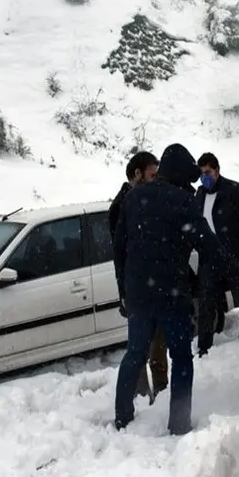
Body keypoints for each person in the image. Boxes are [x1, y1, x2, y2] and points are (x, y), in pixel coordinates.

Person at [113, 143, 239, 435]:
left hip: (140, 294)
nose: (193, 185)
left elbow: (119, 250)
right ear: (181, 174)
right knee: (180, 357)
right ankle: (179, 423)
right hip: (172, 294)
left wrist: (124, 291)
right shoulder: (182, 201)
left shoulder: (134, 198)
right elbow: (207, 243)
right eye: (190, 179)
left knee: (134, 354)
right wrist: (237, 273)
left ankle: (122, 417)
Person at [109, 151, 167, 404]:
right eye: (152, 175)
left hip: (157, 286)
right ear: (137, 174)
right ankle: (143, 397)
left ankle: (163, 394)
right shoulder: (122, 205)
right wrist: (124, 290)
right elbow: (120, 254)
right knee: (139, 348)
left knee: (159, 347)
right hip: (138, 289)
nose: (155, 180)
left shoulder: (152, 199)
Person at [194, 152, 239, 356]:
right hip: (210, 260)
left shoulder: (234, 191)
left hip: (235, 256)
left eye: (208, 172)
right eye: (201, 173)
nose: (204, 177)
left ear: (217, 171)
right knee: (206, 304)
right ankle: (204, 348)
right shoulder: (200, 195)